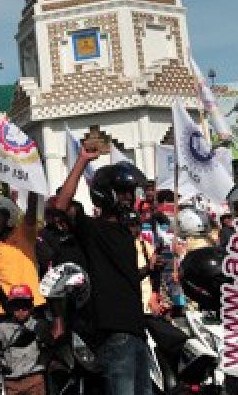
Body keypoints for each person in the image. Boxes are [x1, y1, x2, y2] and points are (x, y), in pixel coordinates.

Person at [56, 149, 151, 395]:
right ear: (106, 193)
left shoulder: (126, 233)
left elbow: (121, 280)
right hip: (114, 335)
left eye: (131, 192)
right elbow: (62, 205)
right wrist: (81, 161)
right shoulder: (92, 229)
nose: (129, 198)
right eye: (123, 192)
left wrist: (148, 270)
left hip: (137, 332)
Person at [0, 193, 44, 316]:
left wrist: (33, 186)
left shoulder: (24, 233)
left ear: (10, 216)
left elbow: (31, 212)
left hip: (32, 305)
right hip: (4, 309)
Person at [0, 284, 51, 395]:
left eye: (25, 305)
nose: (20, 310)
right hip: (12, 382)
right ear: (10, 307)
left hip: (35, 378)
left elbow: (49, 343)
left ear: (31, 306)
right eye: (16, 306)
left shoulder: (39, 325)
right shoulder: (1, 328)